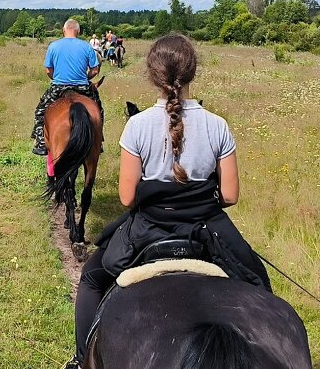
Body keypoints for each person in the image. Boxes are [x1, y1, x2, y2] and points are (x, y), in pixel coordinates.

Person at [64, 33, 269, 368]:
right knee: (258, 281)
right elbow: (230, 195)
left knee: (91, 279)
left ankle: (78, 361)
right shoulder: (218, 126)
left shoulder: (137, 126)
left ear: (153, 75)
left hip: (148, 228)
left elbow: (128, 198)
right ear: (191, 73)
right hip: (207, 227)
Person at [31, 19, 103, 156]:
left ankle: (40, 142)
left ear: (63, 30)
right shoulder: (87, 47)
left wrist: (56, 79)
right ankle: (98, 140)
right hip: (82, 87)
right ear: (78, 31)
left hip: (58, 87)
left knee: (40, 111)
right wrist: (85, 78)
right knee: (98, 109)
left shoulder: (53, 46)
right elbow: (94, 71)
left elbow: (48, 70)